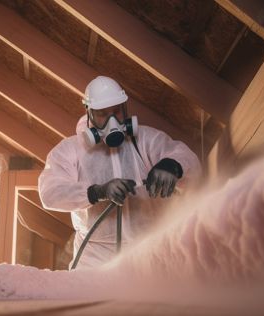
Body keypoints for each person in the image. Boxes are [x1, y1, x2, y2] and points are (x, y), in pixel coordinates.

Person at [38, 76, 201, 269]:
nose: (112, 121)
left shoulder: (145, 139)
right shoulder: (70, 150)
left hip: (151, 253)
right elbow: (50, 192)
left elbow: (189, 160)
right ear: (89, 113)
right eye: (102, 114)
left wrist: (172, 165)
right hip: (93, 261)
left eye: (117, 111)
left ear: (125, 108)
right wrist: (96, 192)